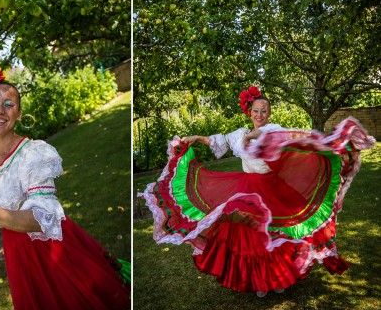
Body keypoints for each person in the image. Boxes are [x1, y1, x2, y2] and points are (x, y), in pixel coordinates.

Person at [0, 65, 130, 310]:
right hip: (17, 252)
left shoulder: (34, 154)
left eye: (9, 104)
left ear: (18, 114)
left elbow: (42, 219)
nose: (0, 110)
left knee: (78, 305)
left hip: (55, 245)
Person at [140, 86, 375, 297]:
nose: (259, 115)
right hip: (245, 188)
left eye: (264, 111)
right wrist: (195, 138)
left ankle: (278, 278)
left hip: (271, 189)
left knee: (276, 234)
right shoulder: (239, 134)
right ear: (249, 112)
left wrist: (258, 135)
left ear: (269, 114)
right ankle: (260, 281)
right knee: (251, 236)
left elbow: (282, 138)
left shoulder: (273, 129)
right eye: (256, 110)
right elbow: (217, 141)